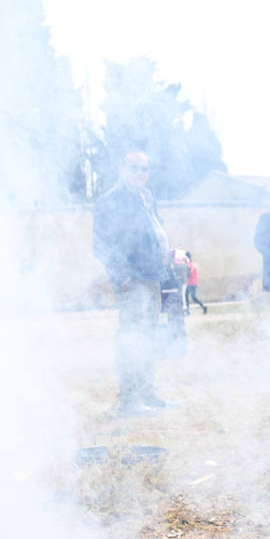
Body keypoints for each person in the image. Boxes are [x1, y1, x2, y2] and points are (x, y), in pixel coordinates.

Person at [92, 150, 176, 416]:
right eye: (134, 168)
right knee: (131, 338)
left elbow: (153, 235)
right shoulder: (111, 201)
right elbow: (102, 244)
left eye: (145, 169)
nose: (140, 173)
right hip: (133, 279)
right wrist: (122, 277)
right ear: (121, 169)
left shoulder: (148, 198)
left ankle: (147, 393)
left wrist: (169, 255)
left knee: (148, 337)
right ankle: (129, 401)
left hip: (153, 275)